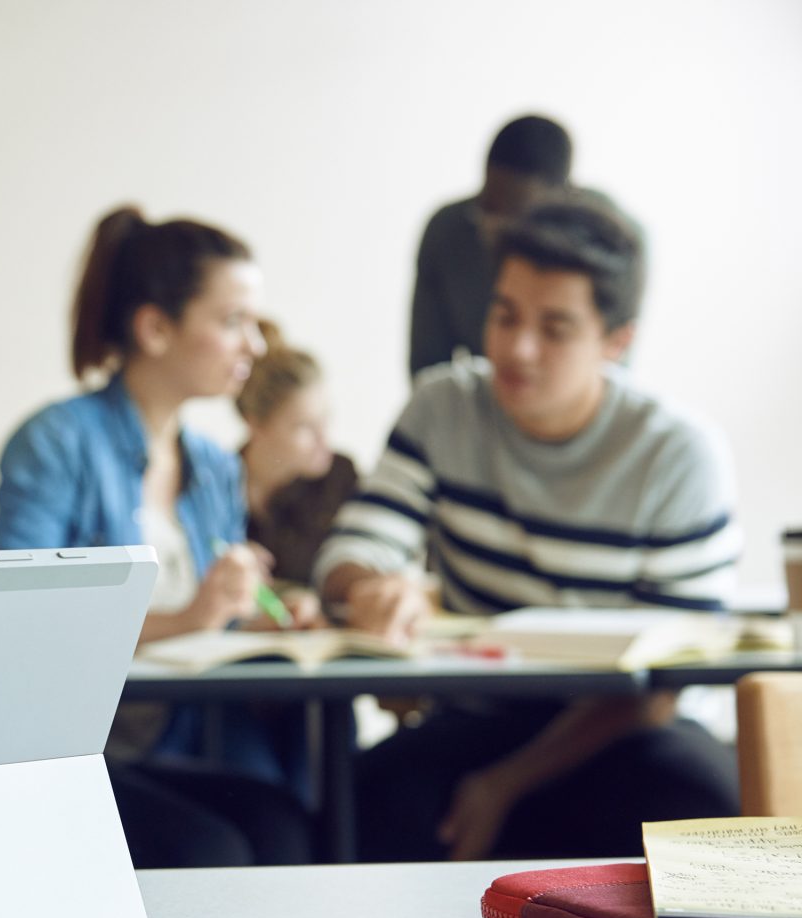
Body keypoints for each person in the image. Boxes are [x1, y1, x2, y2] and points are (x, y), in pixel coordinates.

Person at [316, 193, 742, 862]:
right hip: (478, 715)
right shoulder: (443, 406)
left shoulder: (677, 454)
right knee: (362, 805)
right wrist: (373, 585)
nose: (517, 348)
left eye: (556, 328)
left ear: (616, 341)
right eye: (504, 313)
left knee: (695, 810)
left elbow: (664, 684)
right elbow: (356, 545)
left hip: (623, 729)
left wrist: (504, 787)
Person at [0, 204, 311, 866]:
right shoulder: (55, 444)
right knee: (215, 849)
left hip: (173, 741)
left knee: (285, 822)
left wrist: (262, 613)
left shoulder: (216, 465)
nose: (254, 344)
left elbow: (210, 627)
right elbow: (22, 624)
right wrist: (196, 614)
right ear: (155, 328)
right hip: (73, 752)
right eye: (232, 323)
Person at [409, 115, 574, 379]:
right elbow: (427, 370)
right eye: (486, 207)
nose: (492, 228)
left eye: (512, 216)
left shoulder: (608, 249)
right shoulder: (447, 231)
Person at [236, 321, 358, 603]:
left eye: (325, 420)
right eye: (304, 427)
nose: (323, 439)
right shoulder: (214, 484)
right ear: (256, 424)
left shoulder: (341, 478)